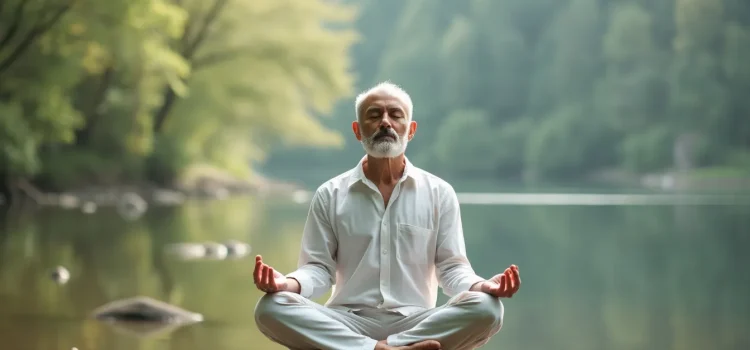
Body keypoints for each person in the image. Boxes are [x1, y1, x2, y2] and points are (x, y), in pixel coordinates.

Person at [253, 82, 521, 350]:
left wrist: (482, 286)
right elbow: (318, 269)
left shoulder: (440, 193)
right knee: (271, 307)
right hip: (347, 320)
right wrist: (286, 283)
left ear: (411, 130)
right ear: (358, 131)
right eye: (374, 115)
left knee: (488, 308)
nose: (385, 122)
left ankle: (379, 347)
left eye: (395, 115)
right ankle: (379, 349)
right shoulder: (330, 194)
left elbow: (451, 269)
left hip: (416, 321)